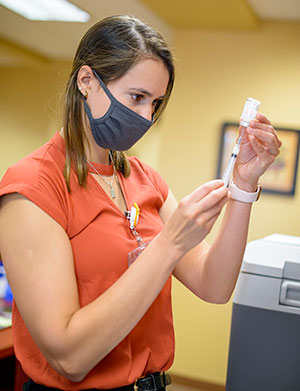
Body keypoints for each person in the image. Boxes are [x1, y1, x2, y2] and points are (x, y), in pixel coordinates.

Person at [0, 14, 281, 391]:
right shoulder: (32, 187)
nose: (147, 116)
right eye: (137, 97)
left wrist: (244, 187)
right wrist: (169, 244)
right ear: (87, 81)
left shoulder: (143, 179)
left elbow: (213, 286)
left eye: (155, 102)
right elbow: (69, 358)